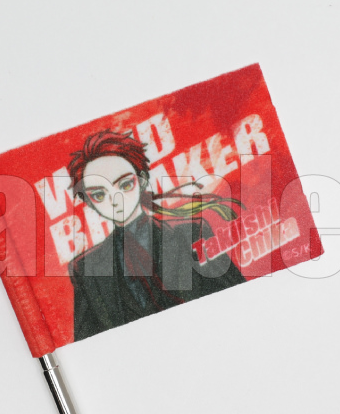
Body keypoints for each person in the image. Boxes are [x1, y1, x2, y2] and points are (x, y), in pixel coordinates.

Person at [68, 130, 245, 341]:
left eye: (125, 185)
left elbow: (239, 298)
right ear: (88, 202)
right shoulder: (86, 268)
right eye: (99, 195)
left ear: (142, 181)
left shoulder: (191, 233)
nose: (115, 200)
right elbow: (88, 342)